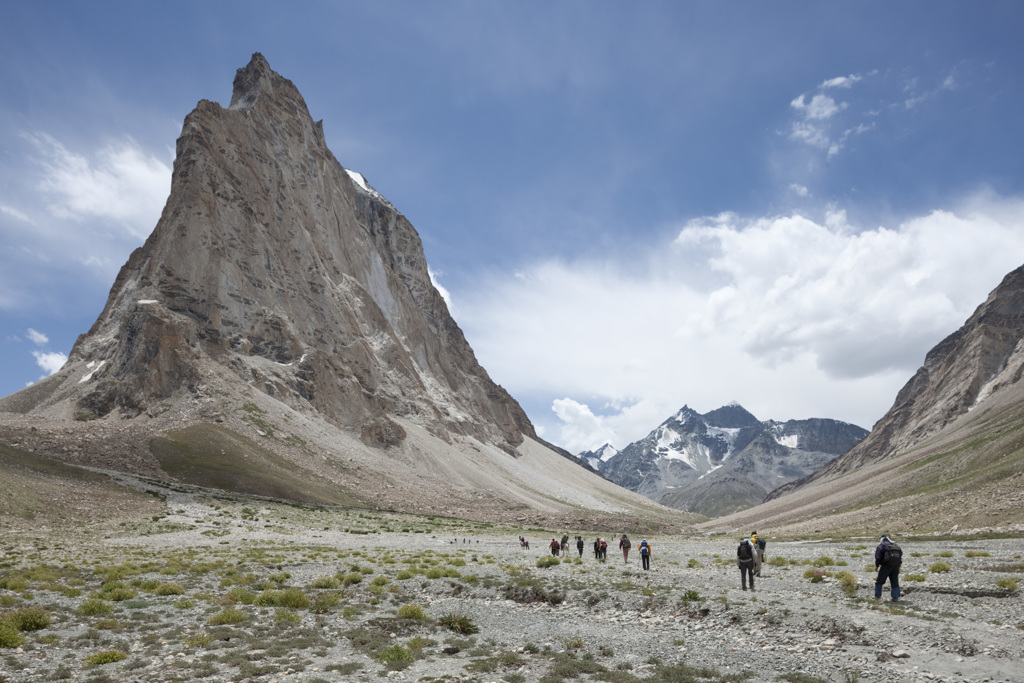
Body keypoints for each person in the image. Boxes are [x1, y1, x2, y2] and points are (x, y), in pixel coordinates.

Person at [874, 533, 902, 601]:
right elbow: (901, 554)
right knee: (895, 581)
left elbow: (878, 557)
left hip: (886, 566)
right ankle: (895, 597)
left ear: (882, 539)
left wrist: (877, 565)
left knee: (879, 581)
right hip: (896, 566)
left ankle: (877, 597)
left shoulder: (881, 546)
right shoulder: (896, 545)